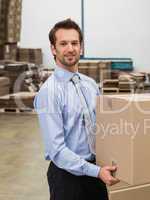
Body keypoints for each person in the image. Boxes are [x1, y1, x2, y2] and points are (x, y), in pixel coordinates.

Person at [34, 19, 119, 200]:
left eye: (74, 43)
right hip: (66, 178)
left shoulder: (90, 85)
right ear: (53, 49)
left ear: (81, 47)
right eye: (63, 43)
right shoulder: (49, 92)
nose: (70, 48)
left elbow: (100, 128)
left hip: (96, 172)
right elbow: (57, 150)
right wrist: (96, 172)